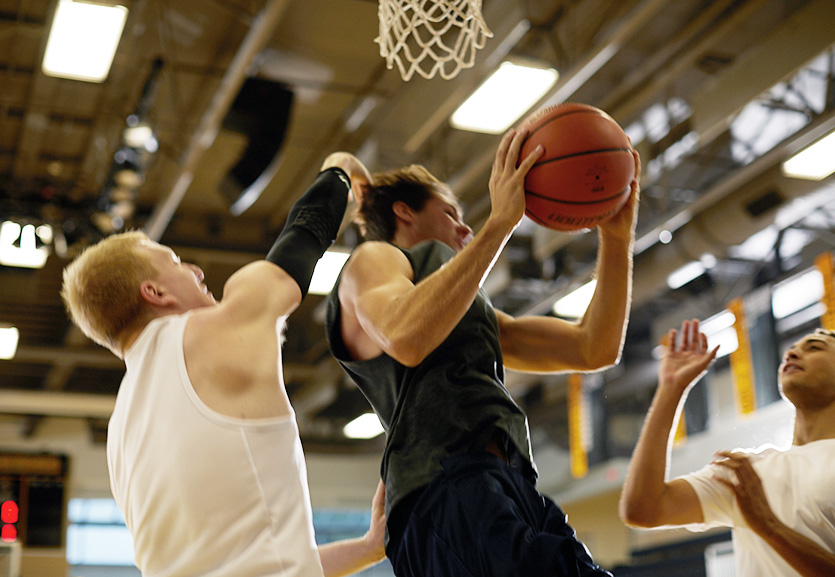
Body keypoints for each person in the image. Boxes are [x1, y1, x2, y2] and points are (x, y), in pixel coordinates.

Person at [324, 127, 641, 577]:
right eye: (450, 212)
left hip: (507, 483)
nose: (463, 227)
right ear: (404, 213)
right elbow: (406, 336)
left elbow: (595, 346)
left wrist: (616, 238)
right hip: (442, 487)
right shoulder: (376, 259)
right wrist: (501, 223)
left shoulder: (471, 309)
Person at [61, 153, 387, 577]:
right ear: (155, 292)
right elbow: (302, 239)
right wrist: (340, 170)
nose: (195, 269)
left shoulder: (121, 438)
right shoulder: (207, 334)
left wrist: (369, 548)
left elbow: (256, 563)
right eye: (176, 262)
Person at [619, 319, 835, 577]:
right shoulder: (747, 472)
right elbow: (643, 510)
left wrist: (768, 525)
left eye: (815, 347)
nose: (792, 352)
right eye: (793, 347)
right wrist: (671, 388)